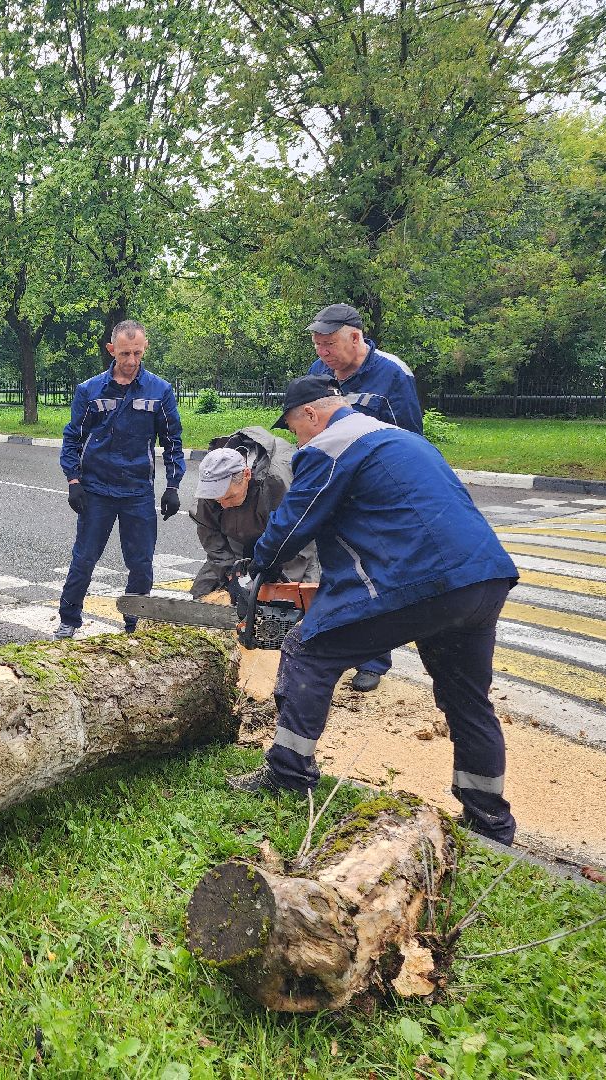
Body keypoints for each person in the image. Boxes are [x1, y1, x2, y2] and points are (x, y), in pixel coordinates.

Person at [234, 375, 519, 844]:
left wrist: (256, 570)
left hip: (421, 581)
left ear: (311, 414)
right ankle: (491, 823)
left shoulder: (330, 445)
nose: (295, 438)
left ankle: (287, 774)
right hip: (481, 578)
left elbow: (293, 526)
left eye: (292, 426)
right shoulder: (399, 437)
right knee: (468, 700)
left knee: (308, 651)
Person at [305, 302, 423, 691]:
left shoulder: (393, 375)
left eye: (329, 345)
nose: (322, 354)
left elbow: (410, 441)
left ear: (355, 338)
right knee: (336, 570)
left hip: (376, 493)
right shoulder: (320, 372)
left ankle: (373, 660)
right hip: (335, 485)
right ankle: (338, 650)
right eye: (317, 345)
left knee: (375, 572)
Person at [56, 319, 185, 638]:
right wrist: (73, 481)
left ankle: (135, 622)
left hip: (137, 491)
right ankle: (69, 619)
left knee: (141, 563)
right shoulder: (90, 390)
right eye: (124, 353)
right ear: (111, 349)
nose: (130, 361)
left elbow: (172, 440)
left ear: (145, 350)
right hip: (96, 490)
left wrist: (172, 486)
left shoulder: (160, 391)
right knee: (84, 558)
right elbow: (73, 437)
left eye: (137, 353)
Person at [188, 429, 315, 602]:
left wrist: (273, 584)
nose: (223, 505)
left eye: (230, 497)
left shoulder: (278, 481)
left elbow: (297, 536)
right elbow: (210, 533)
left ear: (247, 475)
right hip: (238, 536)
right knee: (204, 592)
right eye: (218, 500)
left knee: (290, 599)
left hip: (288, 540)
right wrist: (231, 575)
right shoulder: (213, 480)